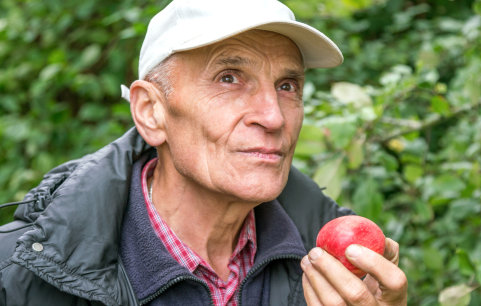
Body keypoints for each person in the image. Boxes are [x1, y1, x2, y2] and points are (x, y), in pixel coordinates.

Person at [0, 0, 408, 305]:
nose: (273, 117)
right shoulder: (16, 276)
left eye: (287, 86)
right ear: (151, 111)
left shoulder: (330, 268)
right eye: (229, 78)